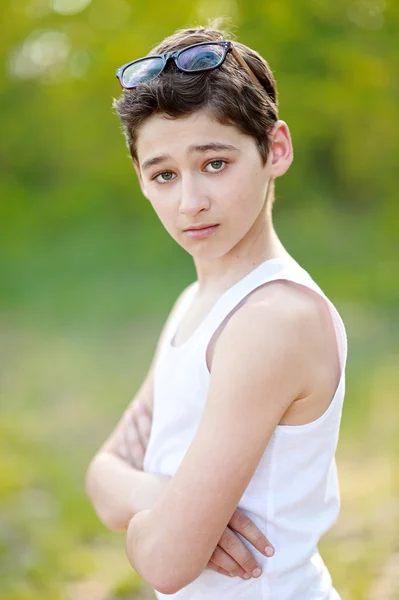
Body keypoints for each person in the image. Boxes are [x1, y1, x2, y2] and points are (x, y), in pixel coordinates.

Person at [85, 21, 347, 600]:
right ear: (141, 179)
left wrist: (152, 530)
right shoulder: (195, 304)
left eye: (214, 164)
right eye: (164, 175)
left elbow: (165, 561)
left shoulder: (273, 319)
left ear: (274, 149)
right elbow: (102, 475)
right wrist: (161, 500)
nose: (190, 202)